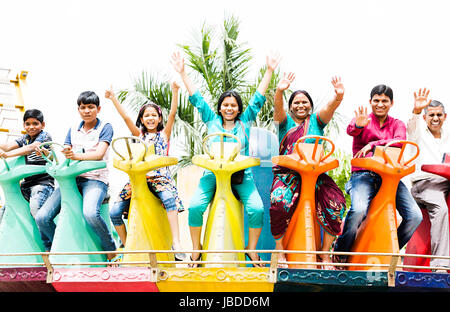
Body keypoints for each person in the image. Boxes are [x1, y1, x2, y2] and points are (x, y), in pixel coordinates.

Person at [171, 51, 280, 267]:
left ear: (238, 108)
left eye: (233, 105)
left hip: (241, 175)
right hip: (212, 173)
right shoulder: (211, 120)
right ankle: (196, 249)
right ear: (220, 107)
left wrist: (269, 71)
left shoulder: (245, 121)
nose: (229, 108)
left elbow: (258, 98)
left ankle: (251, 248)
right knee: (195, 207)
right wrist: (183, 73)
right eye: (225, 105)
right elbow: (197, 99)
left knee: (256, 208)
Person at [333, 84, 423, 266]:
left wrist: (374, 144)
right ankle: (341, 251)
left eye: (384, 101)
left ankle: (391, 249)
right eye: (376, 100)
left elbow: (399, 142)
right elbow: (352, 129)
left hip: (389, 178)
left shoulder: (397, 124)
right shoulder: (363, 120)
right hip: (363, 175)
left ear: (391, 103)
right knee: (358, 210)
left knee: (415, 216)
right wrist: (358, 125)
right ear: (370, 102)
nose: (380, 104)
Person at [269, 72, 346, 269]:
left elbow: (330, 108)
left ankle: (325, 254)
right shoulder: (283, 123)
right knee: (278, 202)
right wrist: (279, 91)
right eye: (296, 102)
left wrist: (338, 96)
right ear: (291, 106)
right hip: (288, 175)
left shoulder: (317, 122)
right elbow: (277, 109)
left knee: (336, 202)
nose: (300, 105)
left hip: (316, 175)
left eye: (304, 102)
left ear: (310, 106)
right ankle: (280, 250)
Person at [105, 82, 186, 260]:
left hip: (159, 178)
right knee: (115, 212)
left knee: (169, 199)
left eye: (153, 115)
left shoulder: (164, 134)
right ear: (141, 119)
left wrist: (175, 91)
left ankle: (177, 243)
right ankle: (127, 246)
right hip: (139, 178)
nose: (150, 118)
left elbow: (173, 113)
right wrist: (113, 98)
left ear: (159, 118)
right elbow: (126, 117)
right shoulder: (138, 136)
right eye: (146, 116)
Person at [35, 91, 117, 260]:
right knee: (42, 217)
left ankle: (110, 249)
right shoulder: (72, 129)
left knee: (90, 213)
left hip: (95, 179)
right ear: (78, 110)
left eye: (90, 107)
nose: (86, 111)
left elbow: (100, 153)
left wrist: (77, 155)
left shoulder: (105, 127)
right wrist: (47, 155)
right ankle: (57, 248)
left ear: (98, 109)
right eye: (83, 107)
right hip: (72, 180)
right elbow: (64, 155)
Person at [407, 88, 450, 271]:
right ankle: (440, 265)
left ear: (445, 116)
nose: (435, 118)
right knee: (441, 209)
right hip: (426, 183)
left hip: (447, 181)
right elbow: (411, 130)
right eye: (431, 115)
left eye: (439, 115)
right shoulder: (419, 133)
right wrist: (417, 111)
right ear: (425, 117)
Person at [0, 109, 54, 247]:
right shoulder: (24, 138)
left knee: (36, 208)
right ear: (24, 125)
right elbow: (6, 147)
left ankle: (50, 245)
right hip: (26, 184)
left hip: (42, 183)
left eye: (35, 123)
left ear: (43, 124)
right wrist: (6, 151)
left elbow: (31, 148)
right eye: (27, 124)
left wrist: (8, 155)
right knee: (7, 208)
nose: (31, 127)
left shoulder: (44, 136)